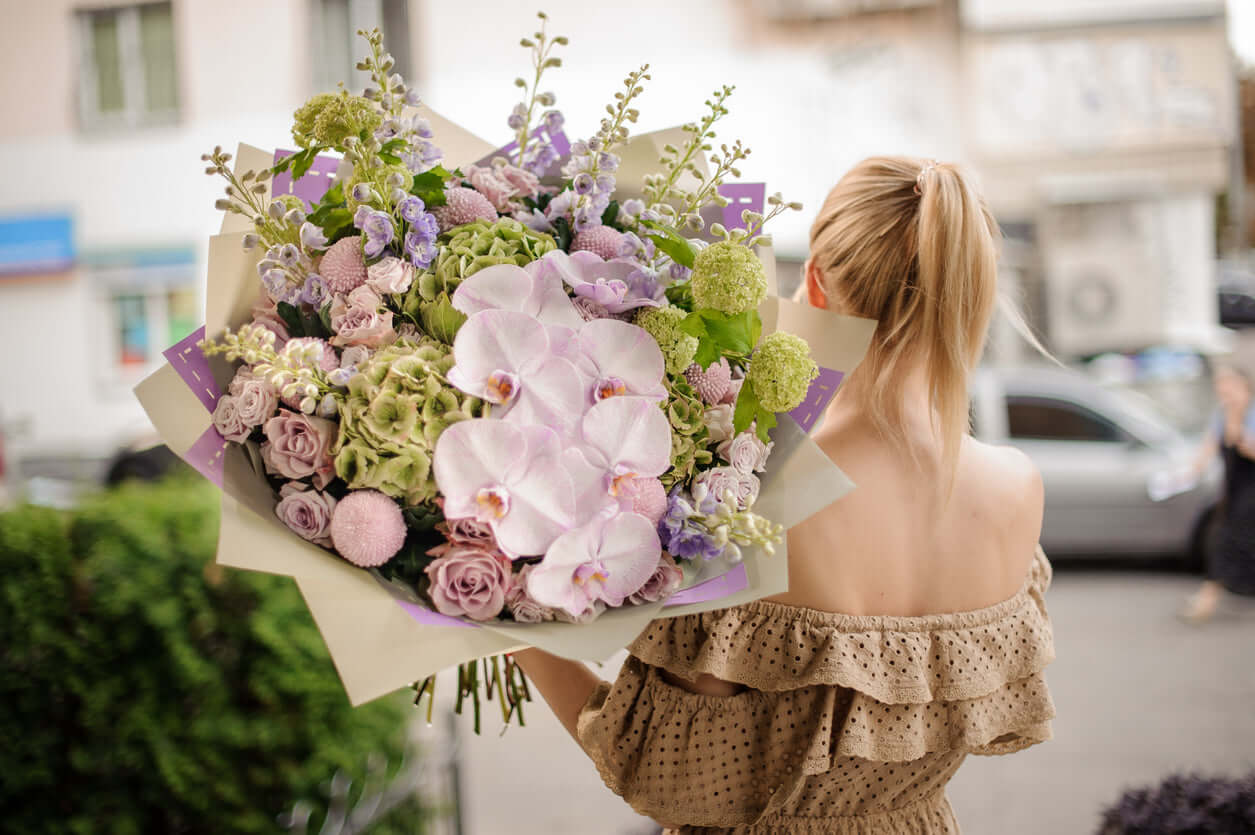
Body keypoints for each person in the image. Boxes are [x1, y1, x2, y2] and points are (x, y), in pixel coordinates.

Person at [514, 157, 1055, 834]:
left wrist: (513, 632)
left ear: (818, 284)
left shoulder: (752, 496)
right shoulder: (1017, 488)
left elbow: (667, 779)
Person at [1180, 361, 1255, 623]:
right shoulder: (1221, 414)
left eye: (1225, 384)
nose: (1221, 390)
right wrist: (1188, 473)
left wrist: (1239, 424)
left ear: (1241, 385)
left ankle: (1206, 600)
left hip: (1251, 489)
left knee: (1228, 540)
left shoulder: (1251, 412)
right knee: (1231, 538)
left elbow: (1243, 445)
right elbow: (1208, 448)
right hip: (1234, 488)